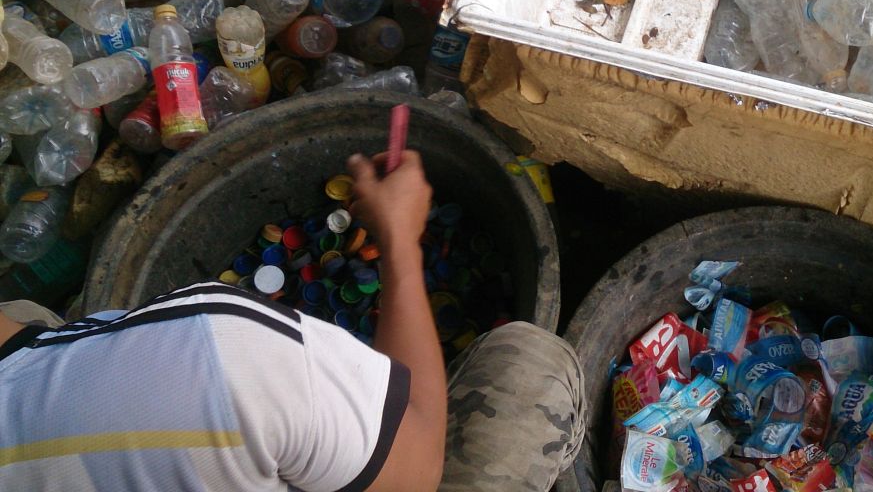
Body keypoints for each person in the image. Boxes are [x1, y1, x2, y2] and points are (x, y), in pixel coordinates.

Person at [0, 150, 586, 491]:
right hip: (333, 437)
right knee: (530, 363)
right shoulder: (224, 353)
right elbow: (415, 463)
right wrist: (401, 247)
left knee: (29, 320)